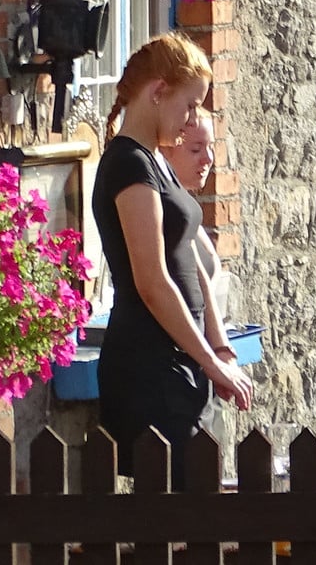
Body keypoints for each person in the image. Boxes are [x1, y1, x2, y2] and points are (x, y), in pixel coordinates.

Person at [93, 35, 252, 479]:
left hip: (181, 362)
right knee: (168, 525)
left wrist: (219, 349)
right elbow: (152, 281)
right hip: (149, 368)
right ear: (158, 92)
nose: (191, 121)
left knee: (191, 516)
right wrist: (208, 360)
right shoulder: (128, 164)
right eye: (189, 105)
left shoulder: (155, 161)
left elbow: (193, 265)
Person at [159, 109, 231, 329]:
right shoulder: (160, 213)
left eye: (210, 147)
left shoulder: (189, 211)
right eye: (195, 149)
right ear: (165, 151)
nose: (208, 159)